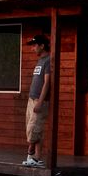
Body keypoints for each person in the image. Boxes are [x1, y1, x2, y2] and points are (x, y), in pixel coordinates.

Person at [21, 34, 51, 167]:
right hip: (32, 99)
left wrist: (40, 101)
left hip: (40, 100)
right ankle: (37, 158)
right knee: (33, 127)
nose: (33, 48)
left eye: (35, 45)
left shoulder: (48, 60)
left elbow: (47, 83)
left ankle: (31, 153)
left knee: (34, 128)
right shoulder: (40, 60)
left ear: (42, 46)